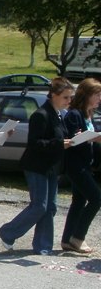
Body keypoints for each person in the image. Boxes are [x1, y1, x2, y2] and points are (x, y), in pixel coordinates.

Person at [0, 77, 74, 255]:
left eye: (70, 97)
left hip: (51, 167)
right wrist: (59, 143)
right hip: (36, 166)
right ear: (54, 95)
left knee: (51, 207)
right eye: (65, 97)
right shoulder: (41, 115)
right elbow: (35, 143)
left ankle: (43, 246)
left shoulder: (58, 114)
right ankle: (7, 232)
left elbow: (60, 136)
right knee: (39, 205)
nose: (69, 101)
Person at [60, 78, 101, 254]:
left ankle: (67, 240)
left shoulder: (89, 114)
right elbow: (71, 139)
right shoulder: (74, 114)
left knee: (79, 201)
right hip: (76, 165)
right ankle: (78, 238)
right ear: (87, 95)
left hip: (86, 165)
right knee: (96, 198)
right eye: (97, 94)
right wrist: (92, 137)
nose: (100, 98)